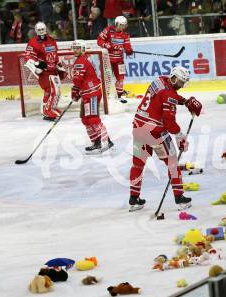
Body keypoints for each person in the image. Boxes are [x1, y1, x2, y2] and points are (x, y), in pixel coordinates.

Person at [128, 66, 202, 212]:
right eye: (180, 82)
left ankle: (134, 199)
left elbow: (165, 95)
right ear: (174, 78)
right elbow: (170, 123)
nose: (181, 85)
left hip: (138, 127)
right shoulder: (170, 96)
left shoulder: (160, 79)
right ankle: (179, 198)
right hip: (155, 133)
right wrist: (181, 137)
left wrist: (185, 101)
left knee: (138, 164)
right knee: (172, 162)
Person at [70, 39, 114, 154]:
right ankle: (96, 142)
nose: (75, 50)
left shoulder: (81, 61)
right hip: (87, 93)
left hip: (92, 94)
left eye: (78, 48)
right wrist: (78, 91)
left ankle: (106, 141)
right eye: (74, 48)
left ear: (83, 49)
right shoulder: (85, 58)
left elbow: (77, 79)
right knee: (85, 119)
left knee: (93, 119)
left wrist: (75, 91)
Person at [24, 22, 66, 121]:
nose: (41, 31)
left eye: (43, 29)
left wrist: (59, 65)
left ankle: (48, 109)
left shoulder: (52, 41)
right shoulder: (33, 42)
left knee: (56, 91)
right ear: (36, 31)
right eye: (39, 30)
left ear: (46, 29)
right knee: (52, 90)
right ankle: (48, 110)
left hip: (53, 70)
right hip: (44, 71)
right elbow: (28, 57)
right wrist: (37, 64)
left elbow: (55, 55)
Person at [97, 15, 133, 103]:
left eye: (125, 25)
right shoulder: (108, 30)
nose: (123, 27)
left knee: (121, 78)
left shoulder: (125, 34)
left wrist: (129, 50)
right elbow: (99, 40)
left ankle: (119, 96)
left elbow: (128, 46)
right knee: (107, 78)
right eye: (121, 25)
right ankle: (105, 96)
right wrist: (107, 45)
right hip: (107, 60)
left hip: (119, 61)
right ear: (117, 24)